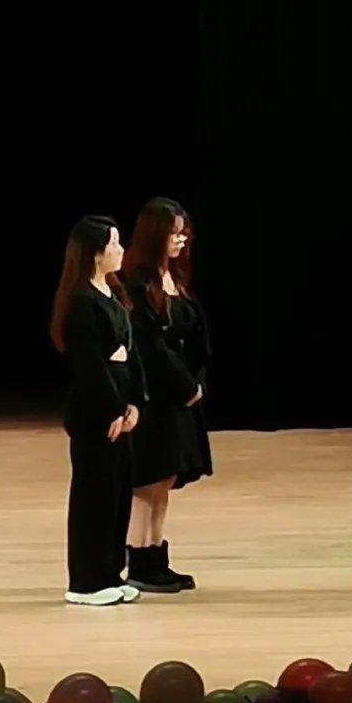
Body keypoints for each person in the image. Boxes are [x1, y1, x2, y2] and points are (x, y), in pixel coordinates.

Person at [51, 215, 145, 606]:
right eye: (114, 244)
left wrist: (135, 403)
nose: (121, 250)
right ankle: (85, 580)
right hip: (96, 413)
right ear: (95, 253)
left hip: (121, 406)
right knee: (93, 495)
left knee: (116, 494)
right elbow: (90, 366)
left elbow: (131, 353)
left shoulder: (113, 293)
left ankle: (109, 571)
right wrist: (113, 410)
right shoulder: (82, 302)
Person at [121, 197, 212, 594]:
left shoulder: (177, 279)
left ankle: (157, 554)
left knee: (166, 479)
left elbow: (195, 338)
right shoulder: (136, 285)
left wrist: (198, 383)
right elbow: (150, 348)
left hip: (181, 398)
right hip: (156, 398)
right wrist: (185, 387)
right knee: (148, 481)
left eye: (184, 232)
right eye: (174, 233)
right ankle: (139, 559)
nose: (181, 239)